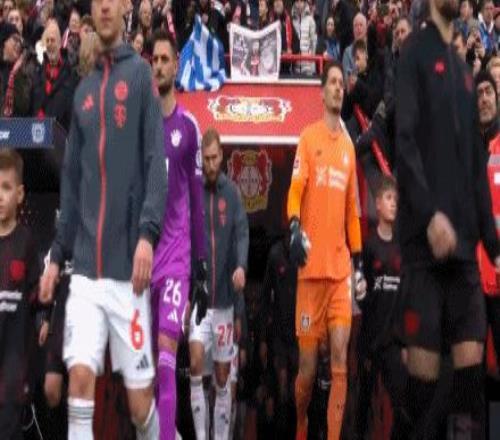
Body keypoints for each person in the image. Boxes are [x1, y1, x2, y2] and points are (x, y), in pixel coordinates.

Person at [38, 0, 167, 439]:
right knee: (78, 381)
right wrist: (57, 256)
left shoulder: (142, 78)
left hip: (127, 273)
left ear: (126, 7)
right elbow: (72, 185)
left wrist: (147, 235)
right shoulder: (83, 94)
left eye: (114, 1)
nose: (106, 7)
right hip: (86, 276)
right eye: (99, 2)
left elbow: (156, 164)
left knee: (139, 406)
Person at [395, 0, 500, 434]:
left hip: (464, 258)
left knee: (471, 389)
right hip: (425, 253)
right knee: (422, 395)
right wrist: (429, 214)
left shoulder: (462, 72)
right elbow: (404, 142)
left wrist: (494, 248)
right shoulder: (413, 55)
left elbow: (475, 170)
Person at [287, 60, 364, 440]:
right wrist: (293, 225)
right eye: (331, 83)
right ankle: (301, 423)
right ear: (321, 92)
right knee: (306, 369)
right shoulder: (308, 138)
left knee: (339, 359)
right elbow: (295, 190)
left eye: (340, 84)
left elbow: (352, 212)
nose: (337, 88)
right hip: (310, 273)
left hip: (339, 273)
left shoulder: (349, 148)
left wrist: (358, 259)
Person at [150, 29, 207, 440]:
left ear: (177, 66)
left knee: (168, 357)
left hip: (175, 260)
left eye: (165, 59)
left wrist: (200, 265)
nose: (158, 66)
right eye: (154, 60)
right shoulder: (140, 128)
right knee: (145, 371)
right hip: (142, 262)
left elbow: (197, 201)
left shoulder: (188, 128)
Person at [190, 127, 249, 440]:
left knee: (223, 378)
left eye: (215, 158)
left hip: (225, 302)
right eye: (206, 159)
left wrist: (241, 266)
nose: (211, 165)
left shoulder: (233, 194)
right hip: (199, 302)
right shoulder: (193, 192)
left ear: (222, 156)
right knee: (196, 363)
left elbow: (241, 234)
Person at [355, 176, 410, 440]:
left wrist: (407, 342)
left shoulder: (402, 248)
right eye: (389, 198)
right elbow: (361, 297)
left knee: (403, 408)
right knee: (362, 408)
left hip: (394, 343)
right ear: (377, 204)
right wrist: (359, 291)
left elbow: (408, 298)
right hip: (369, 340)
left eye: (396, 200)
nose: (393, 204)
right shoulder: (368, 247)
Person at [0, 150, 43, 440]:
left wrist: (44, 320)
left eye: (6, 187)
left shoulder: (26, 243)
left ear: (20, 194)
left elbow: (38, 298)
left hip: (13, 377)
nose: (0, 196)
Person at [260, 230, 298, 438]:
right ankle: (279, 433)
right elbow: (266, 297)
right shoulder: (275, 255)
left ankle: (295, 432)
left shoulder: (305, 253)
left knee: (296, 390)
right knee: (281, 385)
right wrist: (263, 339)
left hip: (300, 334)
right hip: (279, 334)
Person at [475, 71, 500, 369]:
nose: (483, 99)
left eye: (488, 92)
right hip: (472, 278)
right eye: (478, 94)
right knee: (472, 367)